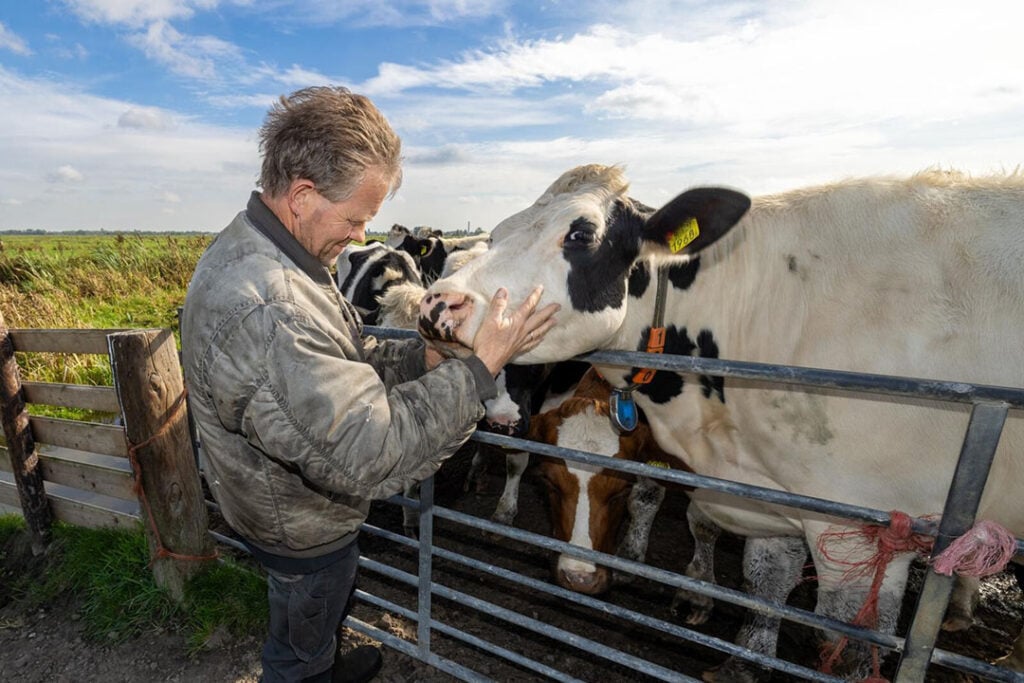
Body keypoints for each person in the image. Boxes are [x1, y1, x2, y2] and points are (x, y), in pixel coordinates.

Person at [180, 86, 558, 683]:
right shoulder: (269, 305)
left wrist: (423, 364)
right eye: (356, 218)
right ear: (303, 195)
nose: (361, 238)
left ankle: (323, 663)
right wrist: (476, 369)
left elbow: (340, 360)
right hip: (300, 529)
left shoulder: (274, 256)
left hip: (283, 505)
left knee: (314, 617)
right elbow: (370, 453)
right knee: (299, 639)